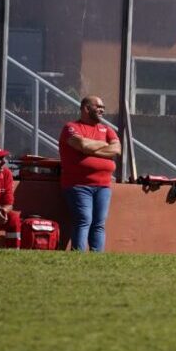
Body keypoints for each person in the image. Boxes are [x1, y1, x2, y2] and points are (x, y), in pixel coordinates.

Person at [59, 96, 121, 252]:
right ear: (86, 108)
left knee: (99, 223)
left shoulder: (106, 129)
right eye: (98, 106)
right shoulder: (71, 127)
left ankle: (96, 256)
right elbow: (81, 144)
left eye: (103, 108)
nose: (102, 110)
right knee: (84, 219)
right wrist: (104, 147)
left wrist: (90, 148)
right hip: (78, 185)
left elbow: (117, 149)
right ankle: (78, 254)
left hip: (103, 186)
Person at [0, 145, 22, 249]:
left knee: (13, 217)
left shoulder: (6, 174)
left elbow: (9, 204)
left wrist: (3, 211)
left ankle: (14, 251)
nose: (4, 162)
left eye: (3, 158)